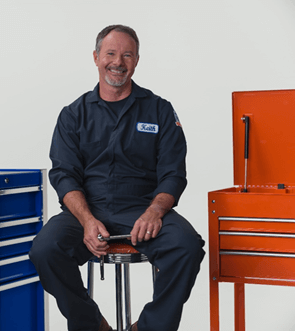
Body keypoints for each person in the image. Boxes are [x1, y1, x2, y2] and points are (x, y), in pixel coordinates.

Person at [29, 24, 205, 331]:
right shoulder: (73, 114)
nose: (118, 62)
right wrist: (85, 220)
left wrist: (154, 211)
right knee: (45, 250)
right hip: (87, 208)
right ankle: (93, 325)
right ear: (96, 57)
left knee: (187, 247)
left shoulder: (159, 110)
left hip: (143, 207)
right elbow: (64, 175)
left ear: (137, 61)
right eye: (110, 53)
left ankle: (148, 328)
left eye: (127, 55)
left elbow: (174, 173)